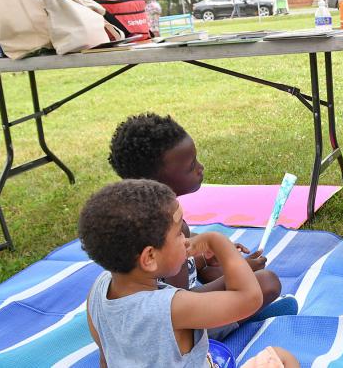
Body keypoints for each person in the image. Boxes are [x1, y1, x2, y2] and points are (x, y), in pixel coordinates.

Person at [80, 179, 299, 367]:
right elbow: (250, 298)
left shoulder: (98, 289)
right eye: (178, 234)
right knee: (282, 357)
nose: (186, 240)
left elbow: (106, 358)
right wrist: (218, 241)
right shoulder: (171, 306)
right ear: (149, 258)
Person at [108, 113, 285, 340]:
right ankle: (245, 319)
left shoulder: (138, 214)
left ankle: (246, 304)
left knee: (218, 269)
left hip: (166, 299)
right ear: (158, 181)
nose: (200, 168)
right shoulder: (163, 230)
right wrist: (241, 268)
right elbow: (183, 300)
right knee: (266, 281)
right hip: (174, 328)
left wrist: (205, 254)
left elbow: (181, 265)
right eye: (191, 166)